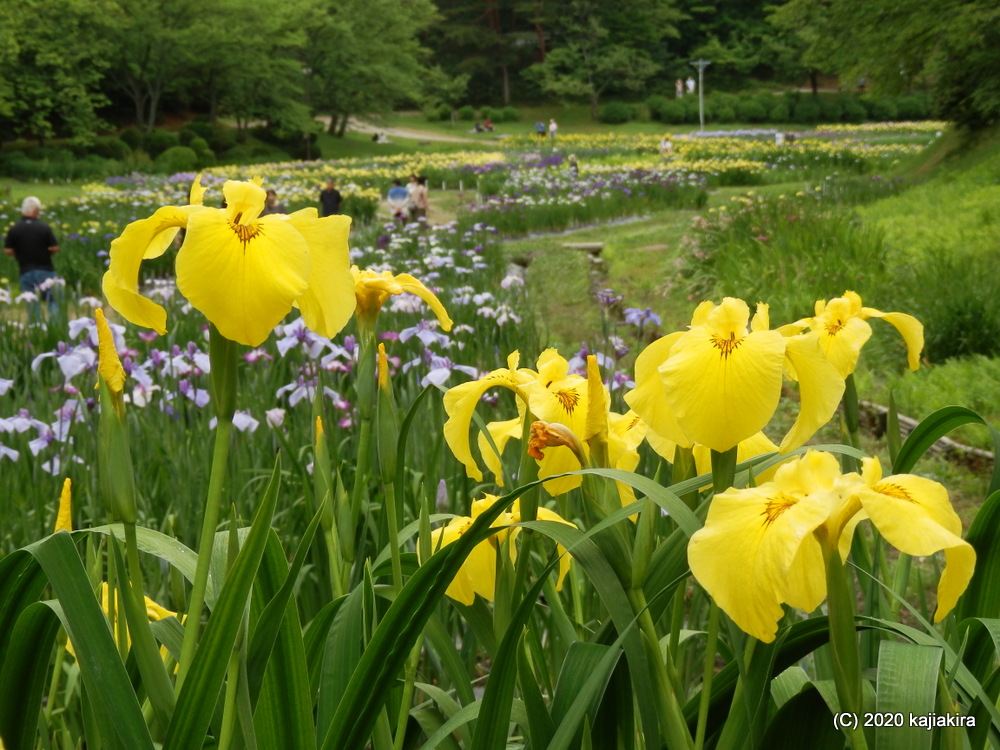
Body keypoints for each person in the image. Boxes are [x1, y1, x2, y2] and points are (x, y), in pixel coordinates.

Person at [4, 196, 60, 317]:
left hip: (26, 270)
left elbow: (7, 250)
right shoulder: (44, 227)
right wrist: (46, 252)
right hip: (45, 270)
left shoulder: (14, 228)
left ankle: (37, 329)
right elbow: (55, 247)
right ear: (36, 210)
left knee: (32, 304)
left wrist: (19, 254)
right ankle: (56, 330)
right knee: (52, 302)